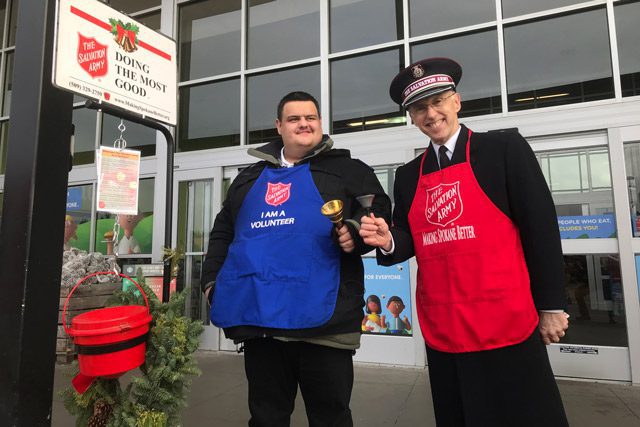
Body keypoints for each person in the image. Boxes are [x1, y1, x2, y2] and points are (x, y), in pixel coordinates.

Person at [359, 57, 570, 426]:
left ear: (456, 101)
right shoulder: (409, 175)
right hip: (446, 322)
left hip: (506, 317)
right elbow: (412, 239)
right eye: (420, 108)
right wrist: (389, 240)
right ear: (411, 118)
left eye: (438, 101)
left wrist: (551, 305)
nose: (431, 113)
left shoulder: (504, 150)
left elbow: (541, 229)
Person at [201, 91, 391, 427]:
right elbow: (222, 235)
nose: (304, 123)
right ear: (279, 126)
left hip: (325, 325)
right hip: (261, 324)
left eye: (311, 117)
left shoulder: (349, 171)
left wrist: (352, 231)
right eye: (294, 118)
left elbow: (376, 213)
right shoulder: (247, 179)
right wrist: (211, 284)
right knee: (266, 417)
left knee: (330, 417)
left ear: (319, 123)